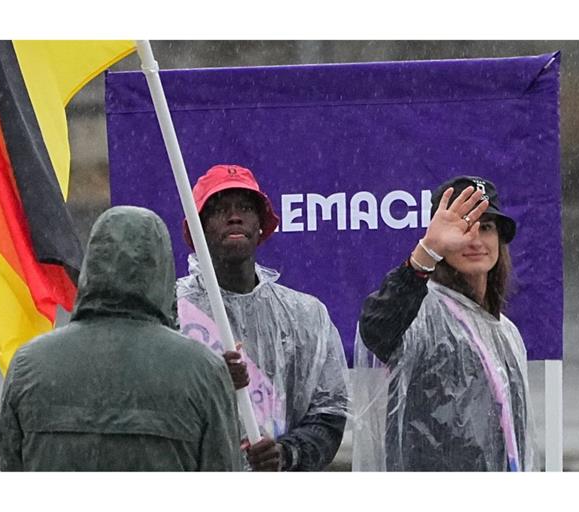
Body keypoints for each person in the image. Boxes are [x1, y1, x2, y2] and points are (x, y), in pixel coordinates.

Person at [0, 206, 242, 471]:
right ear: (163, 268)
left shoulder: (28, 365)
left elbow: (11, 471)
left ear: (90, 266)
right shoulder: (204, 372)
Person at [354, 176, 535, 471]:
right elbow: (377, 327)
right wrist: (426, 252)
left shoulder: (505, 332)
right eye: (463, 227)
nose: (475, 240)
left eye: (486, 227)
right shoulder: (423, 313)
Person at [177, 164, 348, 471]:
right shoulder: (170, 311)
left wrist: (286, 454)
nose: (234, 216)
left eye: (245, 207)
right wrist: (207, 384)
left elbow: (329, 415)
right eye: (219, 209)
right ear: (199, 229)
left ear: (260, 225)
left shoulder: (306, 317)